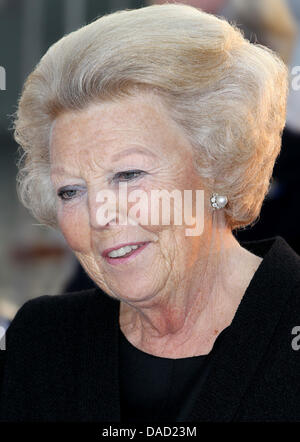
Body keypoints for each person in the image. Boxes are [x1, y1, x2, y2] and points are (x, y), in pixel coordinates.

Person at [0, 4, 300, 422]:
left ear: (218, 165)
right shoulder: (43, 339)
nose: (100, 215)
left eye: (128, 174)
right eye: (71, 190)